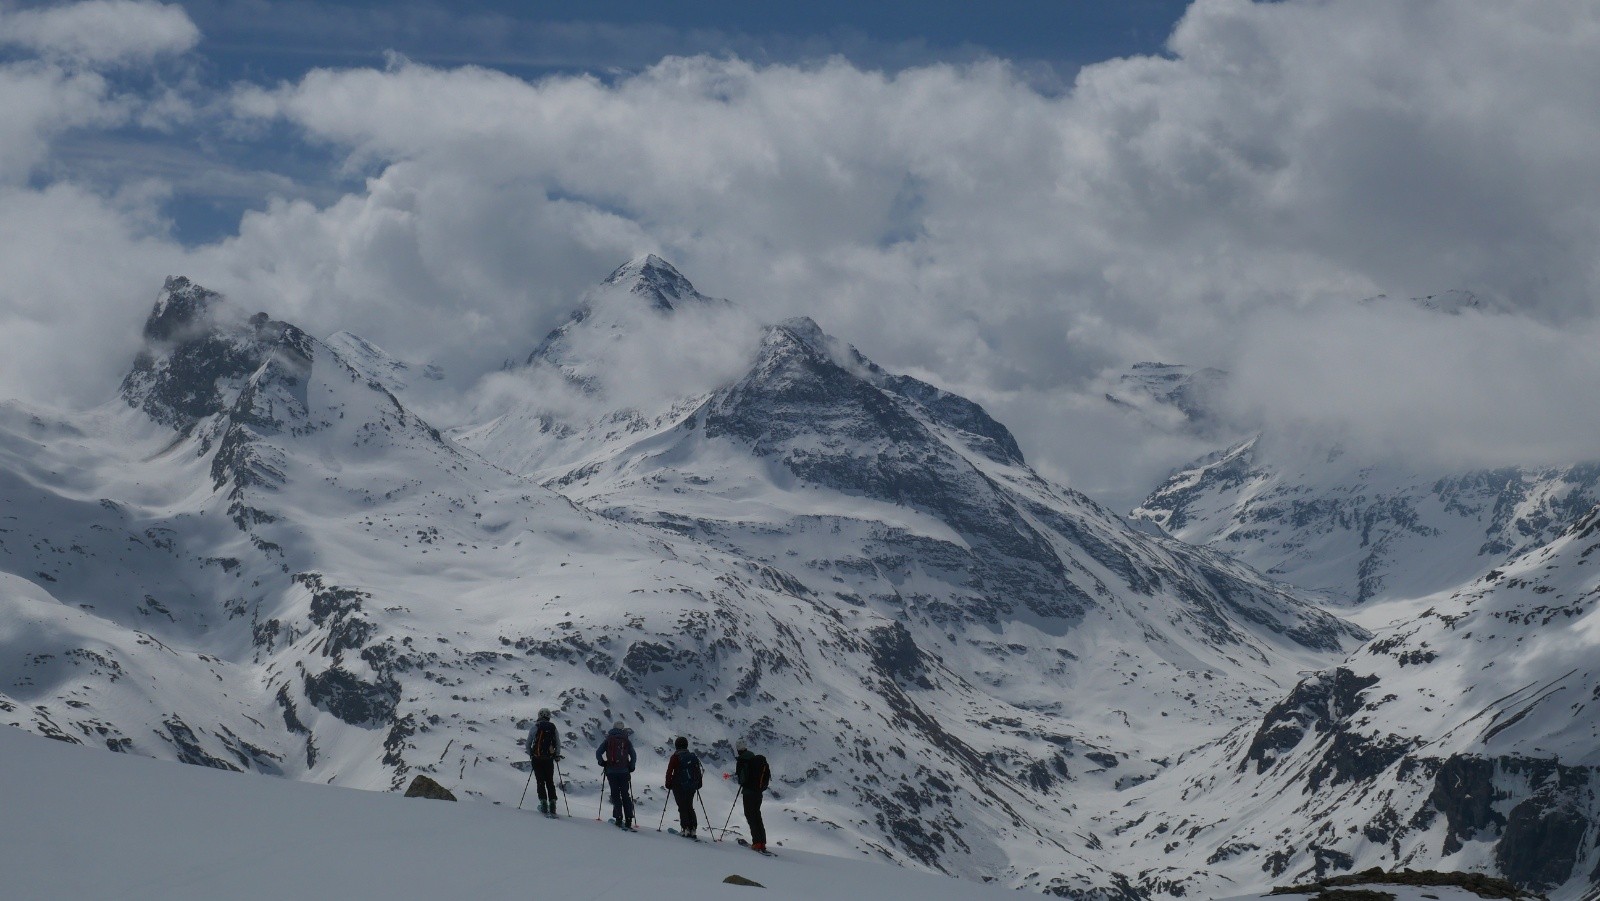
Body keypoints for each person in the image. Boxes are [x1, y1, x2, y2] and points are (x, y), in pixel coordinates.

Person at [595, 720, 637, 828]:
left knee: (615, 795)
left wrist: (602, 762)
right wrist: (631, 766)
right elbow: (633, 755)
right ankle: (628, 819)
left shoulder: (609, 739)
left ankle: (618, 818)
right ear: (622, 729)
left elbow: (598, 752)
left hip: (611, 771)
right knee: (625, 795)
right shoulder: (626, 740)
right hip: (624, 772)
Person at [733, 739, 771, 851]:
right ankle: (762, 842)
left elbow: (742, 779)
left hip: (749, 792)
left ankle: (757, 842)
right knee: (757, 815)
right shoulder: (754, 758)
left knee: (750, 815)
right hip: (758, 792)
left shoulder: (742, 760)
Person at [664, 736, 703, 837]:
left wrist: (668, 783)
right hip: (691, 786)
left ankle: (685, 828)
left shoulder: (675, 757)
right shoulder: (692, 756)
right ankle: (693, 828)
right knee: (689, 805)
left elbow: (669, 771)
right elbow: (697, 771)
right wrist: (698, 783)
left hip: (679, 786)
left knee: (682, 806)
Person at [527, 708, 561, 815]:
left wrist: (531, 754)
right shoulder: (553, 728)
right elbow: (558, 743)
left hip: (537, 758)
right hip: (549, 759)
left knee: (540, 781)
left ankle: (543, 803)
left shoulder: (535, 727)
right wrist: (556, 755)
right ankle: (553, 803)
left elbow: (528, 743)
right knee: (549, 781)